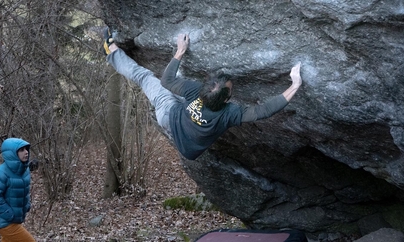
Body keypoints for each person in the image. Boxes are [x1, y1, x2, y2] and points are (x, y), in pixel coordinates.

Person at [104, 29, 302, 160]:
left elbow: (167, 81)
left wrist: (180, 51)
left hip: (170, 118)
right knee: (159, 83)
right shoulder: (230, 113)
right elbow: (263, 111)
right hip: (185, 139)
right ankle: (111, 51)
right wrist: (295, 84)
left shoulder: (196, 90)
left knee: (145, 77)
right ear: (226, 100)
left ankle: (111, 50)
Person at [0, 138, 35, 242]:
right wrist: (9, 214)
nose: (26, 152)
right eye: (21, 150)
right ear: (11, 153)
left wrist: (26, 205)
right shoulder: (1, 172)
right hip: (5, 222)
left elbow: (24, 191)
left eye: (26, 149)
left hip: (15, 219)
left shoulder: (25, 170)